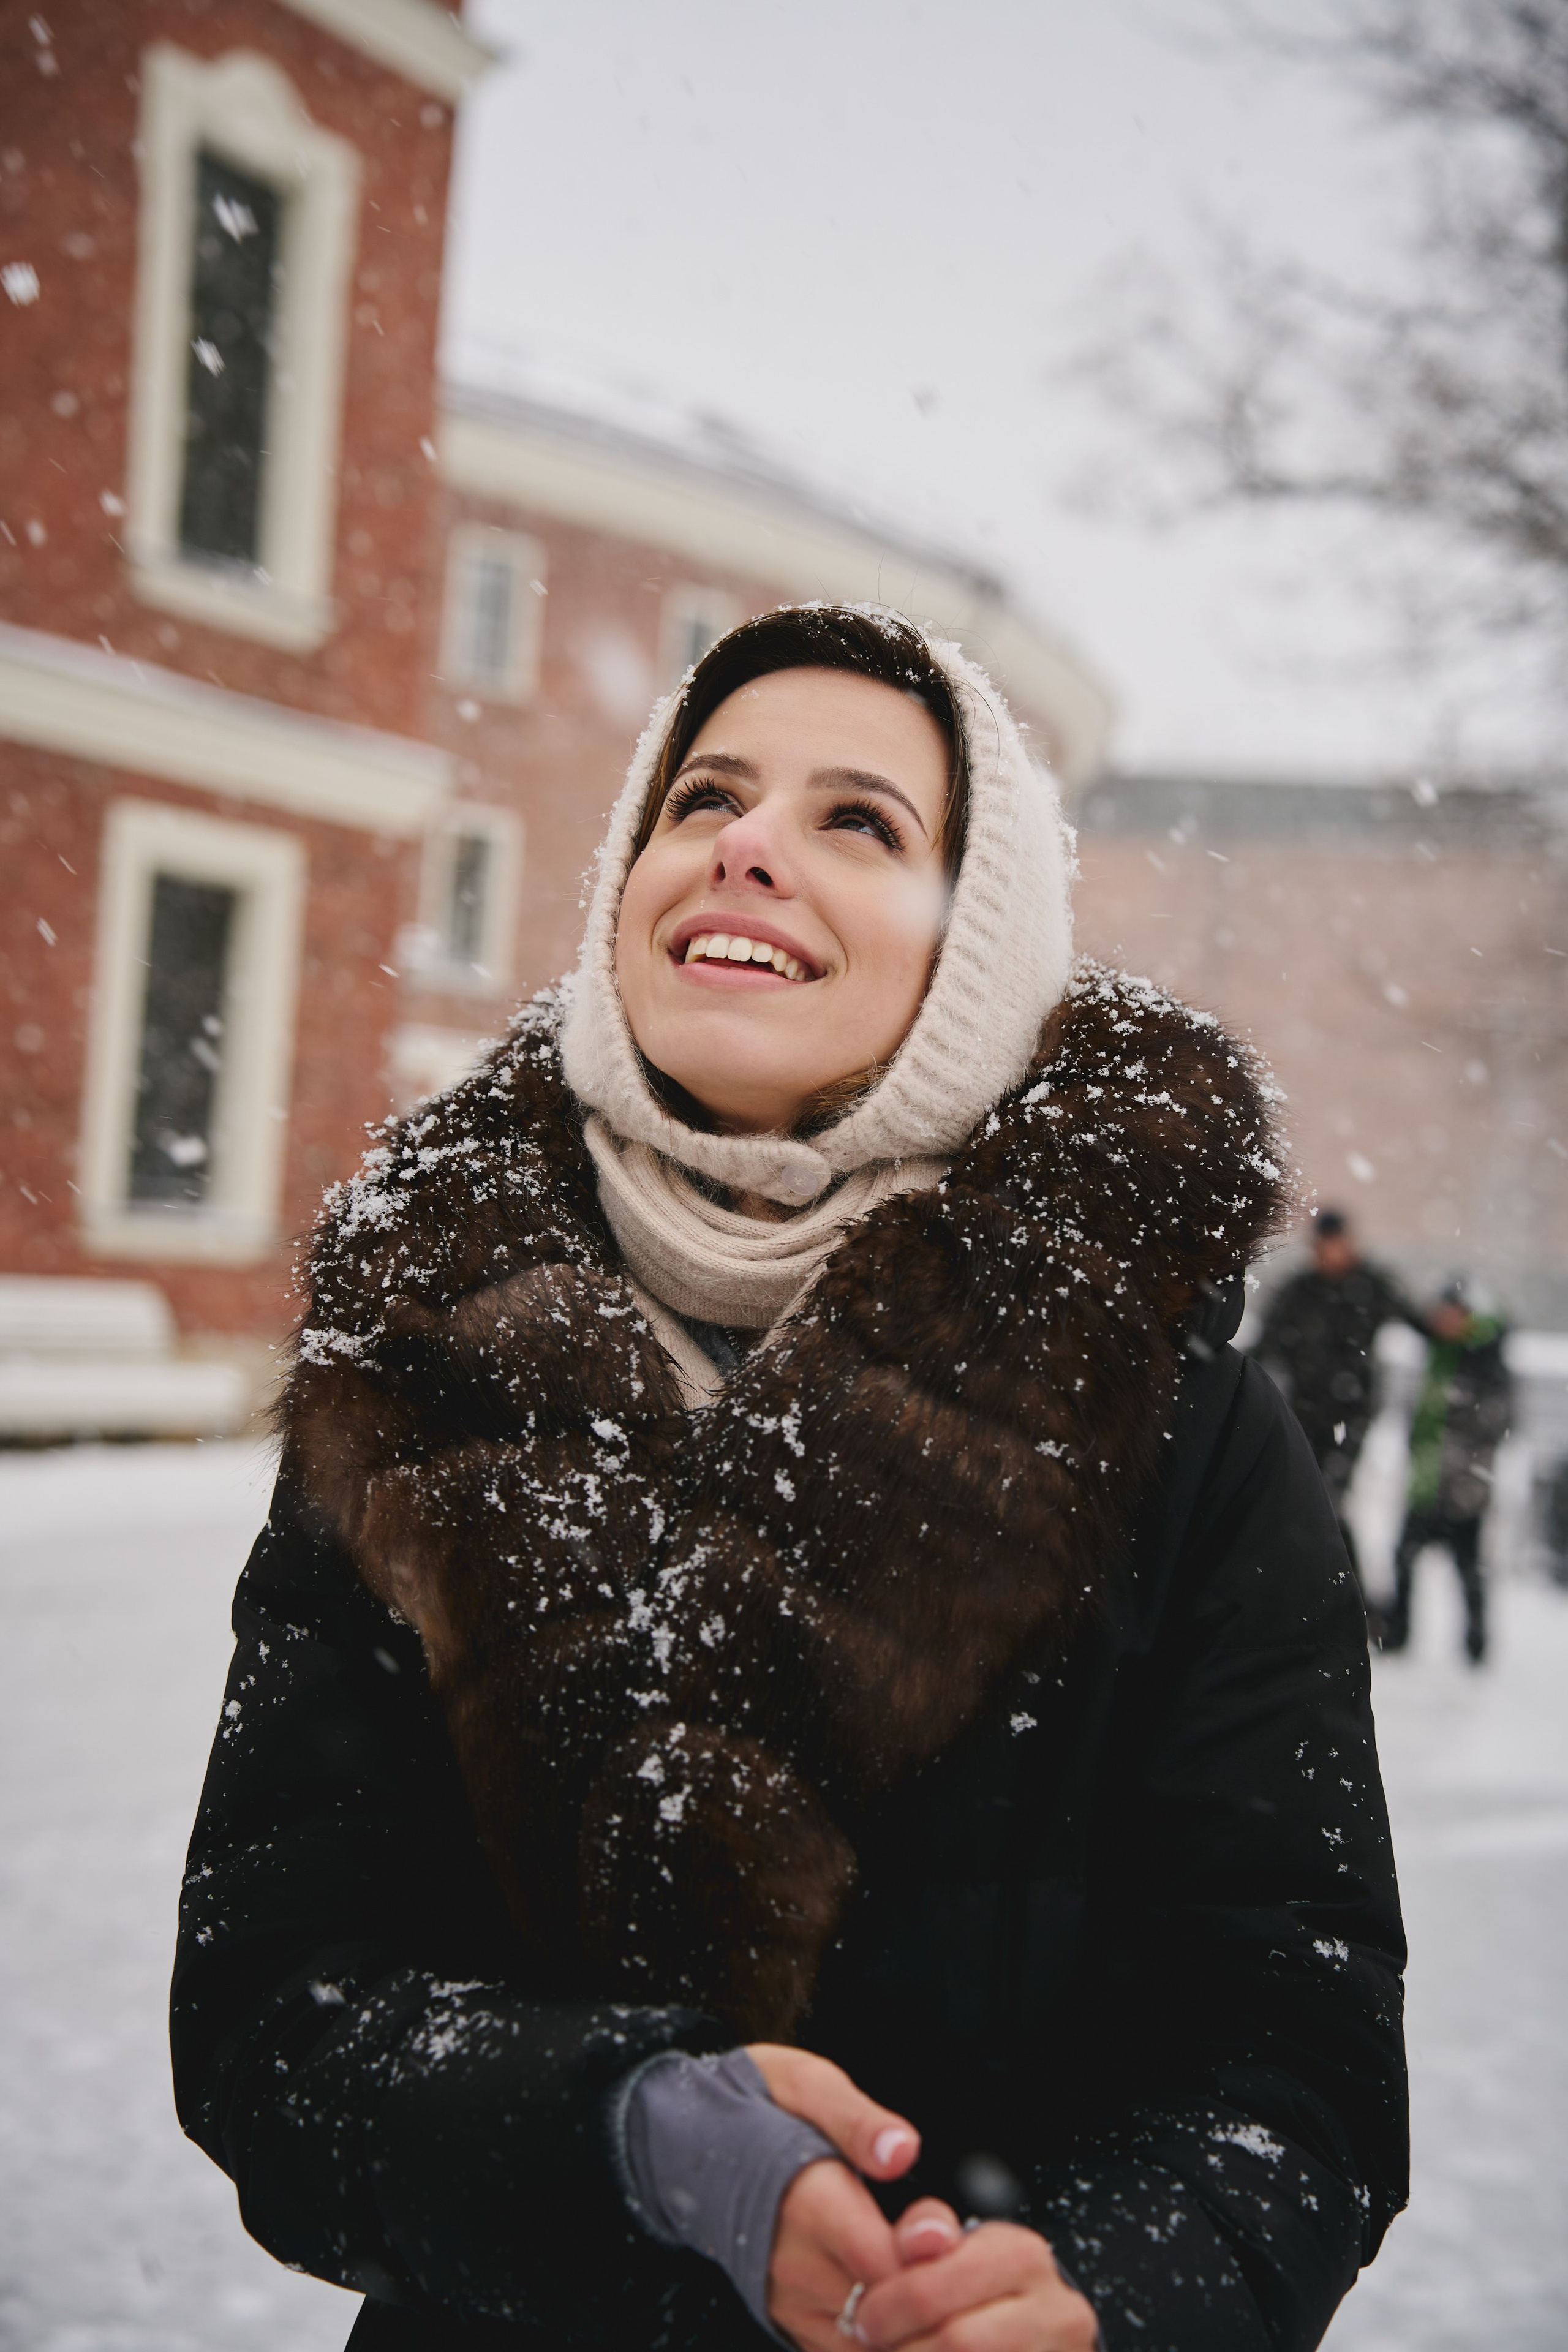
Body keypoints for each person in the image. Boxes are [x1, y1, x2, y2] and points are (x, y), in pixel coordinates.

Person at [172, 607, 1408, 2352]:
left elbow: (1297, 2060)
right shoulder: (411, 1382)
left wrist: (1105, 2290)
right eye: (707, 798)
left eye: (860, 822)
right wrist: (625, 2132)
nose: (745, 845)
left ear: (973, 948)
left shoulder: (1188, 1443)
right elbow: (271, 2018)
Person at [1252, 1209, 1418, 1616]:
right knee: (1306, 1504)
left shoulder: (1371, 1287)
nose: (1333, 1254)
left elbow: (1425, 1323)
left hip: (1352, 1418)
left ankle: (1348, 1602)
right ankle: (1329, 1600)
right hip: (1303, 1416)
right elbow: (1264, 1348)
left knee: (1328, 1502)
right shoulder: (1298, 1291)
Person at [1382, 1279, 1512, 1664]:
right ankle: (1398, 1634)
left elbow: (1496, 1420)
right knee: (1404, 1559)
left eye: (1452, 1313)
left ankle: (1476, 1646)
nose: (1444, 1321)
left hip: (1464, 1487)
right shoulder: (1439, 1348)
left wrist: (1463, 1468)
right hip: (1425, 1480)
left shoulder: (1484, 1356)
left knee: (1468, 1570)